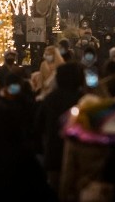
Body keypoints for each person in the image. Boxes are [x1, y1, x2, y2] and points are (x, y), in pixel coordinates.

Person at [35, 62, 85, 192]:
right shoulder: (83, 99)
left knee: (56, 191)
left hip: (54, 154)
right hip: (79, 156)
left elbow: (38, 125)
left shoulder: (50, 99)